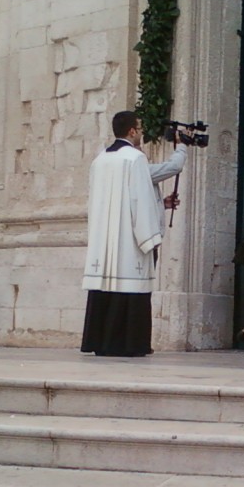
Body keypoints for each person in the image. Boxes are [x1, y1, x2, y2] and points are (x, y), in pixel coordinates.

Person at [81, 111, 165, 357]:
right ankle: (127, 344)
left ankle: (101, 342)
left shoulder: (99, 159)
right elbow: (140, 200)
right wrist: (150, 237)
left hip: (103, 239)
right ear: (132, 131)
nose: (141, 133)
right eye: (139, 128)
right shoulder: (135, 158)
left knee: (105, 287)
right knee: (129, 284)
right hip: (128, 239)